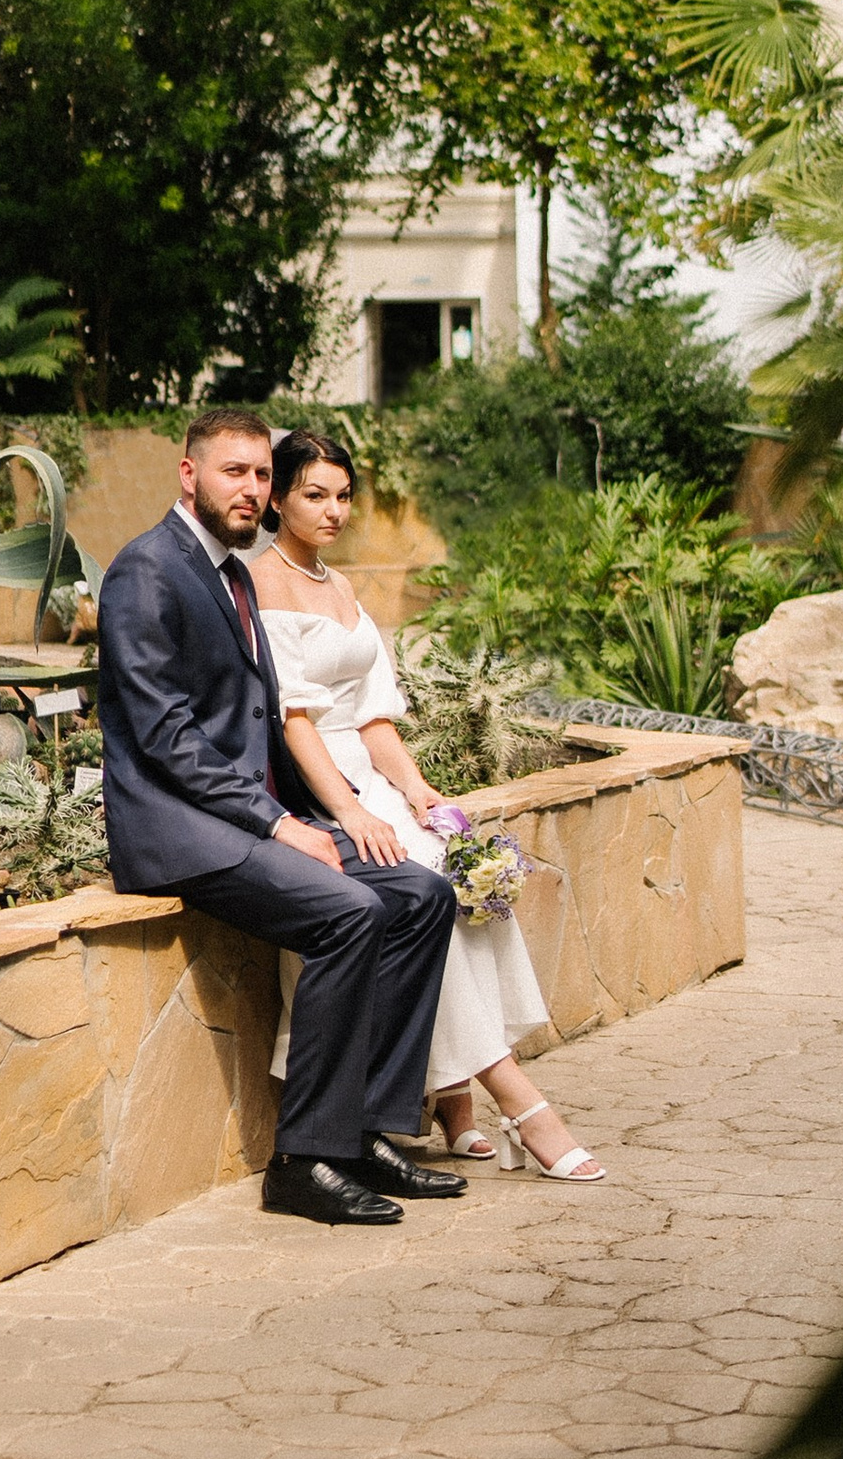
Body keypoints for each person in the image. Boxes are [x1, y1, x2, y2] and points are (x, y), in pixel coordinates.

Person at [94, 407, 461, 1229]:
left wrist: (336, 809)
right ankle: (303, 1161)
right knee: (348, 910)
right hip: (179, 829)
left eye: (262, 474)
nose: (253, 488)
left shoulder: (229, 571)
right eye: (235, 472)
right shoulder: (147, 571)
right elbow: (166, 737)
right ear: (189, 474)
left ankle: (364, 1128)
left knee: (421, 895)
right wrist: (274, 822)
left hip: (250, 818)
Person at [252, 428, 605, 1183]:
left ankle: (452, 1097)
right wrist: (350, 810)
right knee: (419, 888)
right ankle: (514, 1096)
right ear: (277, 497)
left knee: (457, 870)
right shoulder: (262, 584)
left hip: (369, 780)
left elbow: (374, 716)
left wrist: (416, 790)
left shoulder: (339, 587)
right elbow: (295, 719)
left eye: (343, 495)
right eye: (315, 493)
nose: (333, 509)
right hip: (317, 788)